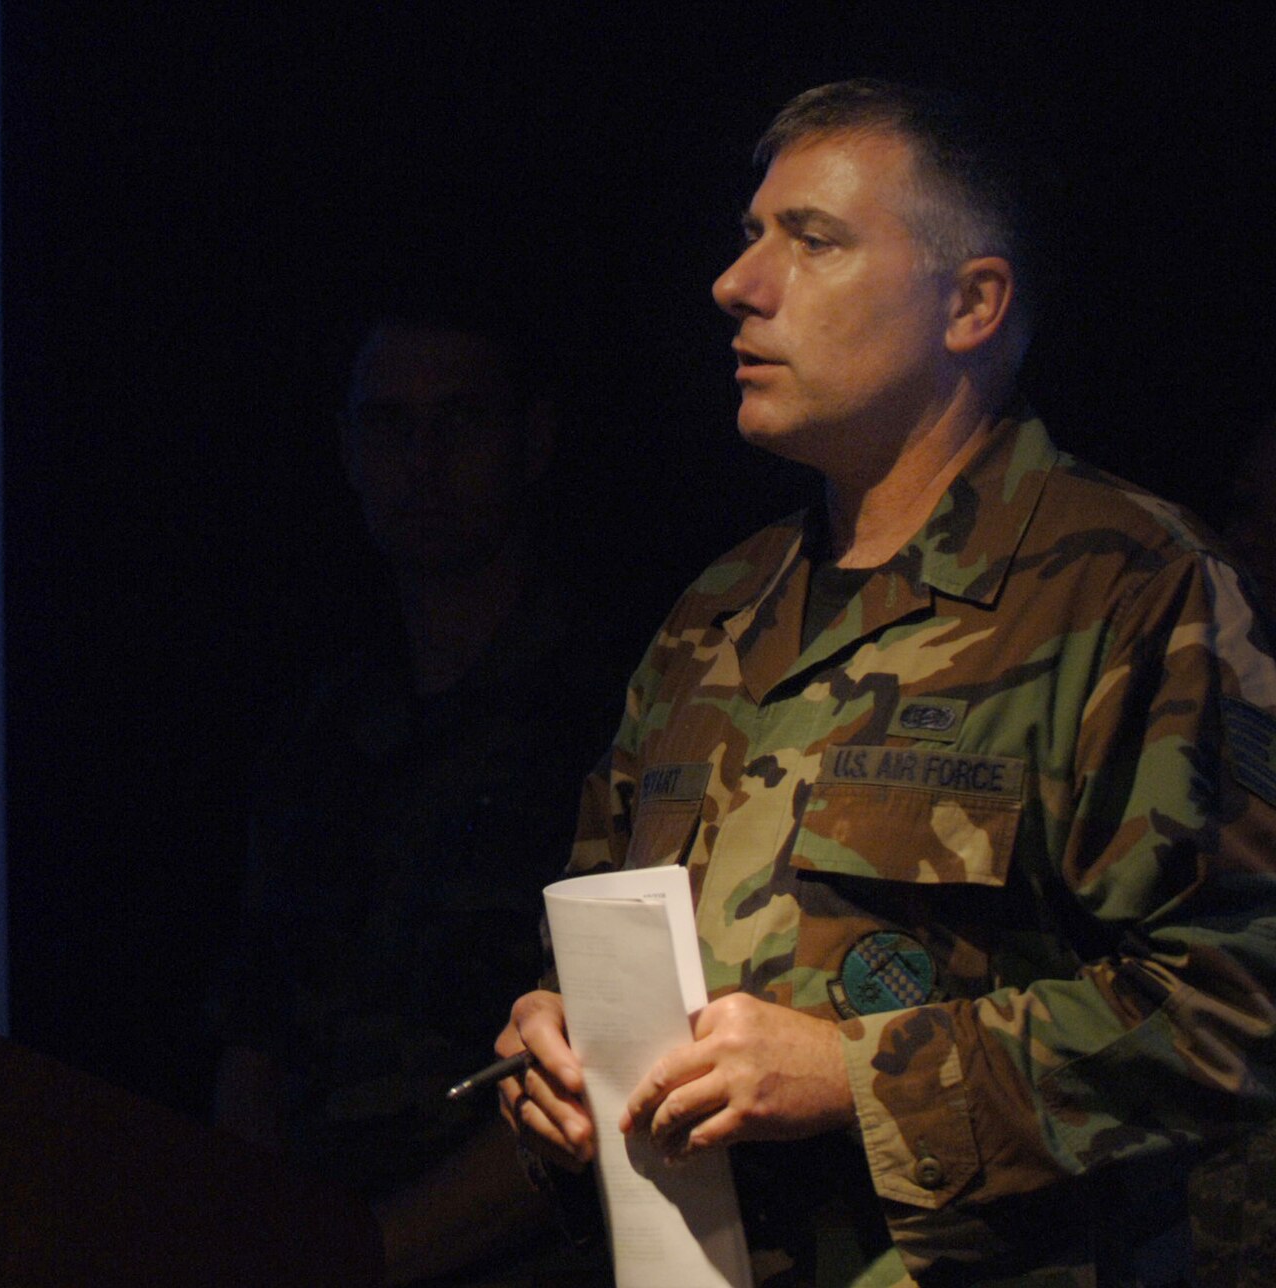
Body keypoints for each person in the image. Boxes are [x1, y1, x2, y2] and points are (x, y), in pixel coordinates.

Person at [497, 79, 1276, 1286]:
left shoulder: (1127, 588)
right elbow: (606, 932)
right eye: (749, 236)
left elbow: (1236, 1008)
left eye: (809, 241)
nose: (737, 284)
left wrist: (862, 1078)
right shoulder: (715, 611)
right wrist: (553, 1045)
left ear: (970, 303)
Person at [208, 303, 616, 1285]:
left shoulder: (615, 705)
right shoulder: (320, 726)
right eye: (387, 425)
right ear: (347, 451)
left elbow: (608, 1057)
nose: (420, 460)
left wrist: (366, 1259)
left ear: (532, 439)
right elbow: (254, 1036)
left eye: (459, 420)